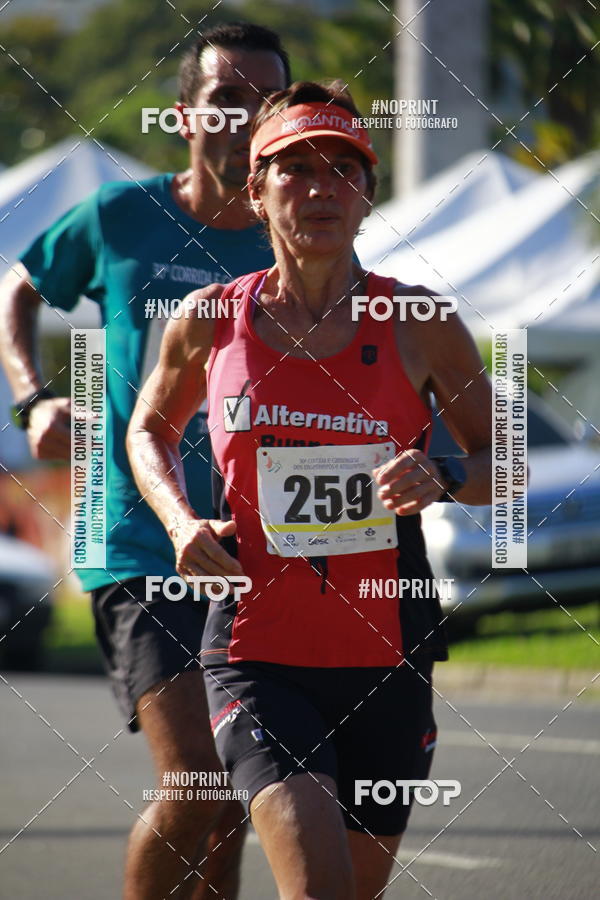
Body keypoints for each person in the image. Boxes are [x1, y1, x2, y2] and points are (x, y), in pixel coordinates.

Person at [128, 80, 493, 900]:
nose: (322, 187)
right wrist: (181, 520)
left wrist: (443, 473)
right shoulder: (208, 317)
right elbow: (146, 429)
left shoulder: (421, 322)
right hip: (255, 651)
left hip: (388, 655)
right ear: (255, 192)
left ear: (368, 194)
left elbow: (506, 461)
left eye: (344, 168)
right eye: (294, 170)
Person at [0, 23, 290, 900]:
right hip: (137, 539)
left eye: (263, 102)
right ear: (183, 113)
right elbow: (19, 288)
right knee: (196, 780)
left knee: (235, 797)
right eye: (224, 98)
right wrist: (33, 397)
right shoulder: (120, 216)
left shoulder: (297, 240)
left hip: (257, 546)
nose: (243, 119)